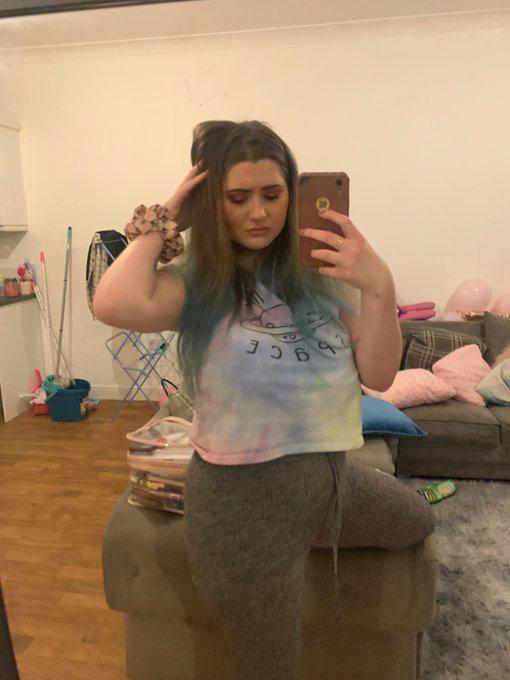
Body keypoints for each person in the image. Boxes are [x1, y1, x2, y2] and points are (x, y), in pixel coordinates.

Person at [93, 120, 436, 680]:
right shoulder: (197, 285)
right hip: (239, 511)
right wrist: (167, 217)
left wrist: (380, 285)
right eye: (237, 198)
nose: (258, 212)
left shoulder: (321, 279)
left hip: (328, 485)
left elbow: (379, 374)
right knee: (268, 668)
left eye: (272, 194)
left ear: (291, 193)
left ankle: (307, 530)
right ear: (214, 203)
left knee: (417, 518)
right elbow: (112, 302)